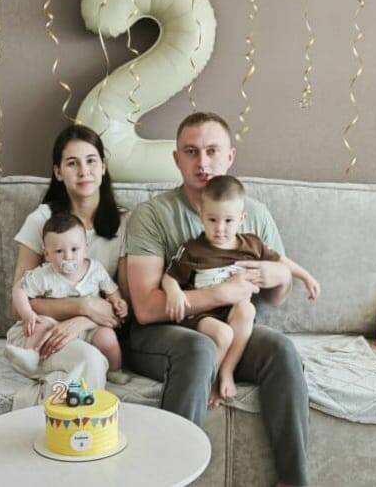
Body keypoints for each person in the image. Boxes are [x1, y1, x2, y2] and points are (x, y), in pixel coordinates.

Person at [126, 111, 310, 487]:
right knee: (198, 349)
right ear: (176, 159)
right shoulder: (153, 215)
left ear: (230, 156)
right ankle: (172, 479)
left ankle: (293, 482)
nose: (203, 162)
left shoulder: (253, 214)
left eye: (212, 151)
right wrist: (216, 294)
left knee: (281, 349)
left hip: (232, 328)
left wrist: (280, 275)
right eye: (191, 151)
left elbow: (278, 297)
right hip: (166, 332)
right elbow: (145, 309)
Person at [161, 174, 320, 407]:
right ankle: (211, 382)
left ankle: (227, 371)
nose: (220, 229)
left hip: (233, 313)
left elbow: (281, 260)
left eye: (228, 221)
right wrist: (175, 293)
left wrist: (306, 276)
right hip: (201, 316)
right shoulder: (192, 249)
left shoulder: (251, 245)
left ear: (242, 218)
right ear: (201, 216)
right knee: (223, 334)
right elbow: (169, 277)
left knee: (247, 310)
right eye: (212, 220)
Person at [11, 124, 130, 391]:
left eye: (91, 161)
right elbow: (17, 304)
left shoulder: (124, 223)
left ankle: (56, 407)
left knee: (86, 361)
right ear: (58, 172)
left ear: (103, 166)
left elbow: (124, 305)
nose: (84, 171)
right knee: (87, 360)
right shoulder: (42, 221)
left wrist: (83, 320)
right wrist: (83, 306)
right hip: (44, 330)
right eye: (72, 163)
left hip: (95, 329)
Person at [6, 212, 128, 377]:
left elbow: (112, 291)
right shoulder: (44, 275)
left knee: (108, 337)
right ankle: (31, 355)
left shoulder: (96, 270)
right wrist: (27, 314)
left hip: (88, 325)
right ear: (47, 255)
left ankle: (114, 370)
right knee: (40, 325)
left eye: (74, 249)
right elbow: (19, 289)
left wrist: (119, 303)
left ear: (86, 249)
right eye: (59, 251)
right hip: (55, 324)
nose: (68, 256)